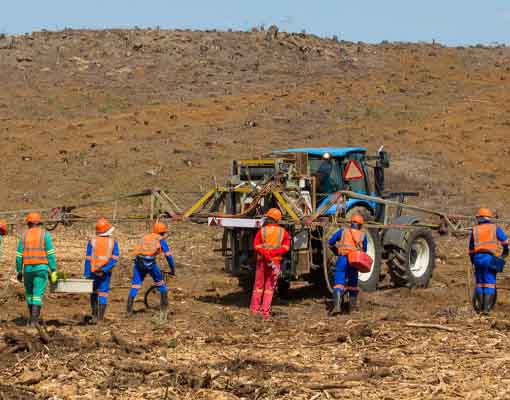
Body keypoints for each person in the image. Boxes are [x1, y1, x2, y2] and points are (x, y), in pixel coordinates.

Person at [16, 213, 58, 326]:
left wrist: (19, 271)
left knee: (29, 294)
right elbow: (50, 254)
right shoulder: (45, 235)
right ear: (39, 223)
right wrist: (53, 270)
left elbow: (19, 256)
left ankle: (31, 319)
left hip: (28, 269)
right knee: (37, 294)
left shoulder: (24, 236)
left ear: (28, 223)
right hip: (41, 269)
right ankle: (34, 320)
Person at [127, 221, 175, 317]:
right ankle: (164, 310)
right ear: (163, 232)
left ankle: (129, 311)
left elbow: (137, 250)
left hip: (139, 262)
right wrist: (173, 269)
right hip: (150, 264)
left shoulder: (145, 237)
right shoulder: (160, 239)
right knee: (161, 284)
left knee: (135, 285)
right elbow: (168, 256)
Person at [250, 208, 291, 320]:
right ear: (278, 219)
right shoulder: (283, 232)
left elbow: (256, 246)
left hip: (261, 262)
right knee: (269, 288)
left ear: (268, 218)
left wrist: (266, 253)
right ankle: (265, 312)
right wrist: (273, 254)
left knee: (258, 286)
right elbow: (286, 247)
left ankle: (254, 310)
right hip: (275, 262)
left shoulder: (261, 231)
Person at [469, 208, 509, 315]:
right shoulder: (494, 228)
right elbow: (505, 241)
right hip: (488, 258)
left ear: (480, 217)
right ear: (488, 217)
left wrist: (473, 262)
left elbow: (471, 249)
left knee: (480, 283)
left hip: (477, 258)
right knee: (489, 284)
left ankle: (479, 309)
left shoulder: (475, 230)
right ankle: (486, 310)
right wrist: (505, 252)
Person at [328, 214, 368, 315]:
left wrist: (336, 251)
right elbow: (365, 250)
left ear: (351, 223)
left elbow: (331, 242)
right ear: (360, 225)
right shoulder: (363, 235)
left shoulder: (343, 231)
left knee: (339, 283)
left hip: (343, 259)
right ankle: (352, 308)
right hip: (354, 261)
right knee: (353, 284)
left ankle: (337, 307)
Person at [84, 218, 119, 322]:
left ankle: (94, 316)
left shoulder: (92, 241)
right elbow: (114, 258)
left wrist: (86, 274)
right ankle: (100, 319)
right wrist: (105, 269)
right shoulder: (113, 242)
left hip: (93, 271)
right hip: (105, 273)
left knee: (94, 292)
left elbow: (88, 259)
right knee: (103, 293)